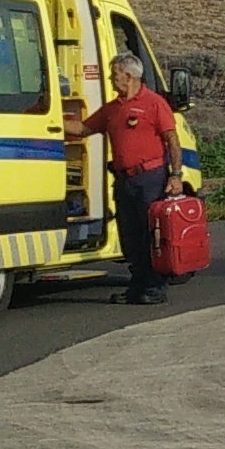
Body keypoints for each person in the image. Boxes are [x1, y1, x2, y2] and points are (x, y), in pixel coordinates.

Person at [69, 47, 187, 304]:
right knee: (129, 235)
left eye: (115, 74)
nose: (112, 79)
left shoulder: (155, 103)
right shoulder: (112, 109)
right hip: (124, 180)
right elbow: (83, 128)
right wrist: (51, 119)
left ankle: (155, 289)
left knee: (150, 234)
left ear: (130, 77)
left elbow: (172, 141)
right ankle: (136, 286)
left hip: (151, 178)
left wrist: (175, 175)